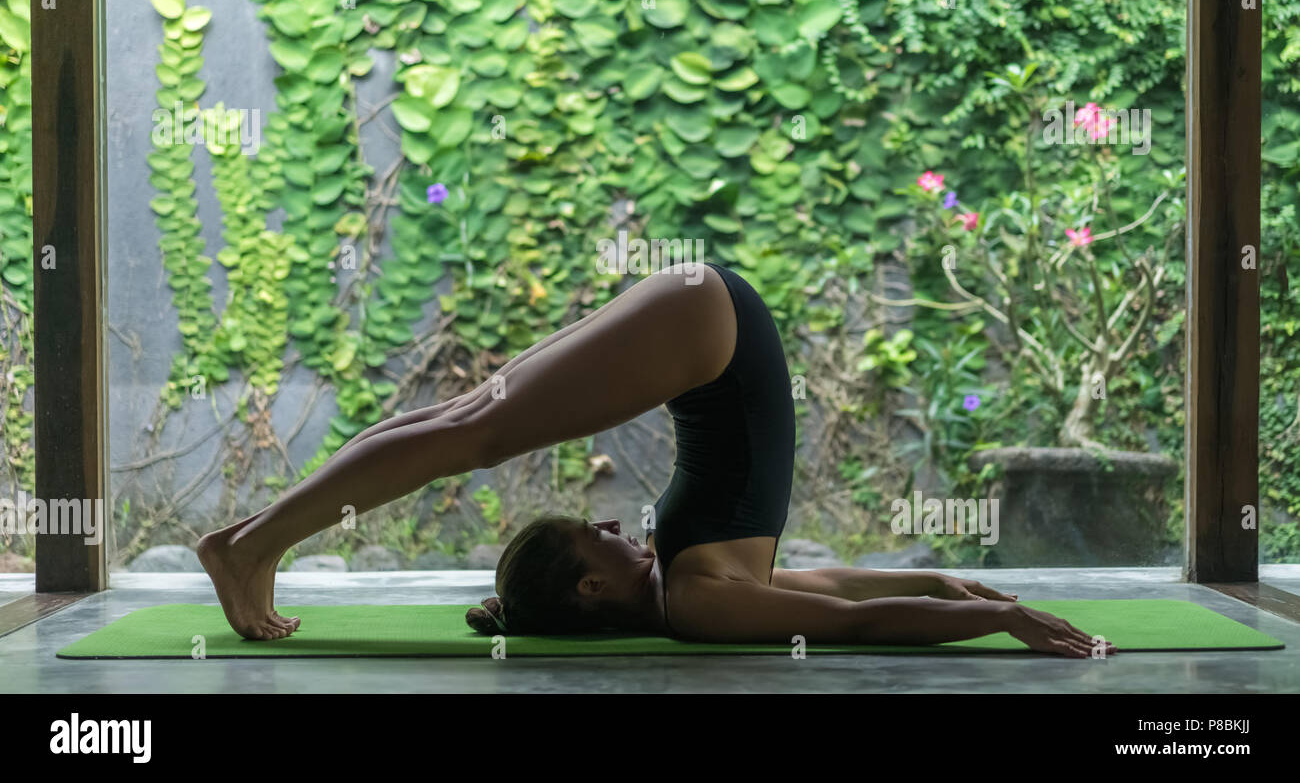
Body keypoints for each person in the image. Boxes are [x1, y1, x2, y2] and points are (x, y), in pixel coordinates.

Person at [199, 260, 1114, 657]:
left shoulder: (700, 599)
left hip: (704, 328)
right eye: (591, 534)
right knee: (460, 423)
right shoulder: (706, 597)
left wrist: (979, 614)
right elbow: (848, 606)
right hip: (701, 321)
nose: (608, 520)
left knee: (463, 426)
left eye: (588, 533)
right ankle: (252, 542)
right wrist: (972, 603)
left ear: (587, 593)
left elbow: (849, 615)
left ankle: (252, 543)